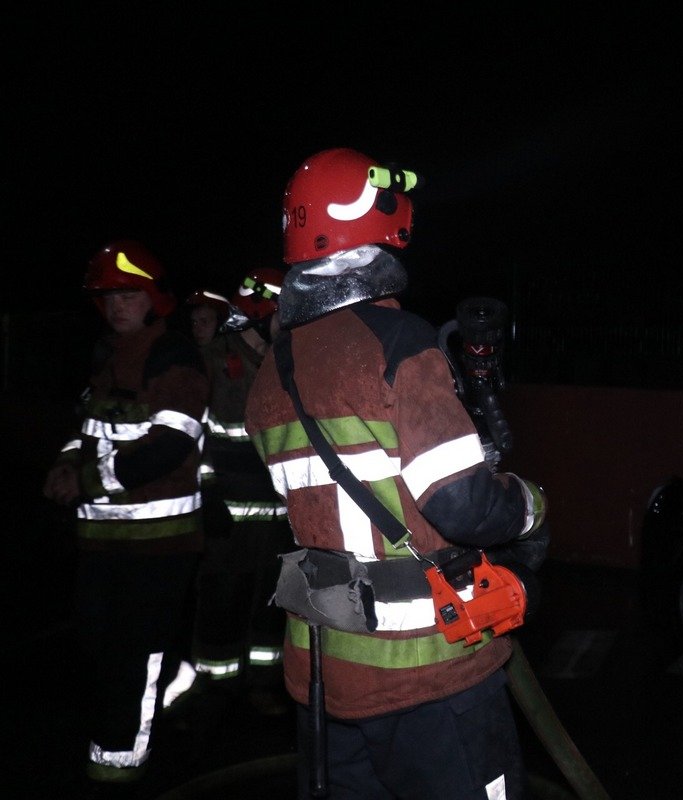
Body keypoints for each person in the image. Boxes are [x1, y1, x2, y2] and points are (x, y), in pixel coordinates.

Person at [244, 147, 548, 799]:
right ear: (385, 224)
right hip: (431, 679)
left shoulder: (274, 371)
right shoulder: (398, 344)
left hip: (323, 673)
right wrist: (530, 508)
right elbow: (463, 504)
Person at [42, 239, 208, 795]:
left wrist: (88, 481)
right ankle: (176, 673)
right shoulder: (105, 355)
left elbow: (167, 447)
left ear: (153, 299)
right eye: (108, 297)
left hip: (159, 544)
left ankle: (120, 768)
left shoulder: (176, 358)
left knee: (132, 654)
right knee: (99, 646)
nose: (117, 307)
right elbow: (86, 429)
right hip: (100, 543)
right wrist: (66, 463)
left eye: (128, 295)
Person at [186, 267, 293, 717]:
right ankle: (213, 690)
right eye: (282, 313)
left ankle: (262, 687)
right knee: (222, 602)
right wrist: (206, 494)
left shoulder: (287, 364)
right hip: (227, 514)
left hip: (278, 517)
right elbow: (188, 432)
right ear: (261, 312)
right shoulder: (213, 360)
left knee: (271, 603)